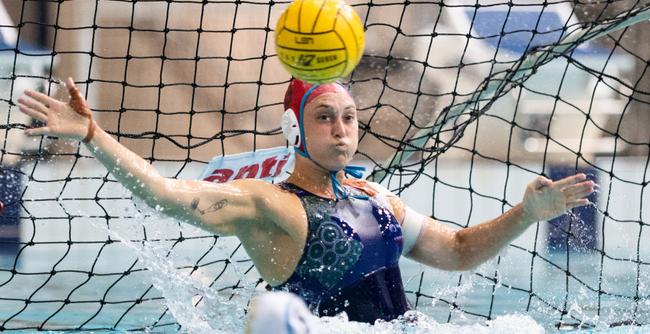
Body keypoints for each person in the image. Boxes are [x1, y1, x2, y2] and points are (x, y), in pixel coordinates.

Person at [17, 77, 595, 327]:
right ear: (296, 130)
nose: (342, 130)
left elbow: (460, 251)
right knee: (268, 318)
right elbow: (169, 196)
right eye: (325, 118)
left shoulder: (378, 199)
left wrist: (526, 215)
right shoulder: (269, 204)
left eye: (348, 117)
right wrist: (93, 137)